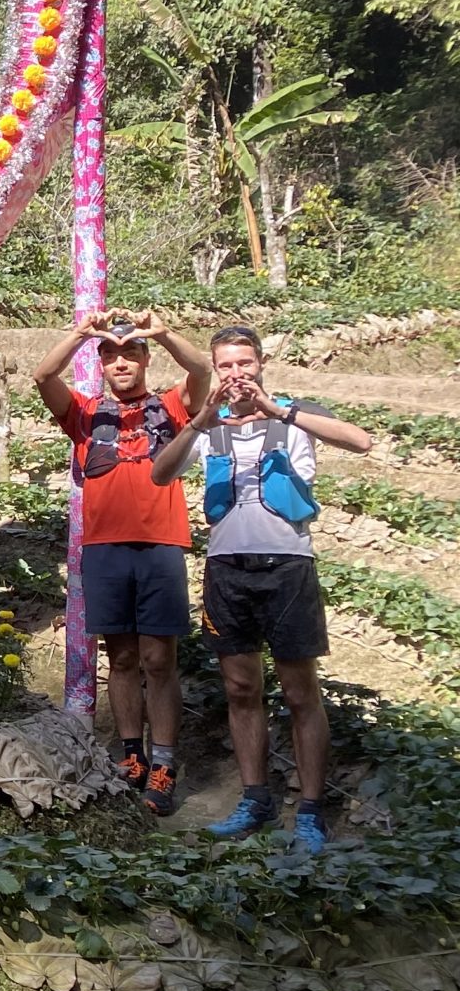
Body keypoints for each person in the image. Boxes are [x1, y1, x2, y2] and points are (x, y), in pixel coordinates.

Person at [150, 324, 372, 850]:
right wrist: (200, 419)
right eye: (225, 366)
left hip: (289, 566)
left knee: (300, 691)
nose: (236, 375)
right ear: (215, 369)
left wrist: (277, 410)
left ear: (261, 362)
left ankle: (311, 811)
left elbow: (361, 441)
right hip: (227, 567)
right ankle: (254, 798)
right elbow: (160, 475)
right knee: (240, 688)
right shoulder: (211, 426)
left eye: (244, 363)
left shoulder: (295, 413)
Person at [32, 308, 215, 813]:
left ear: (145, 360)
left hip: (160, 543)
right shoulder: (86, 414)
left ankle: (164, 761)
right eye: (110, 356)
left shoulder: (172, 407)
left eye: (130, 354)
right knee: (123, 657)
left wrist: (163, 332)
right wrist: (80, 334)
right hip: (104, 546)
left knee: (160, 659)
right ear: (102, 366)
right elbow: (44, 376)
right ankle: (131, 754)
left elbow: (201, 371)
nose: (120, 363)